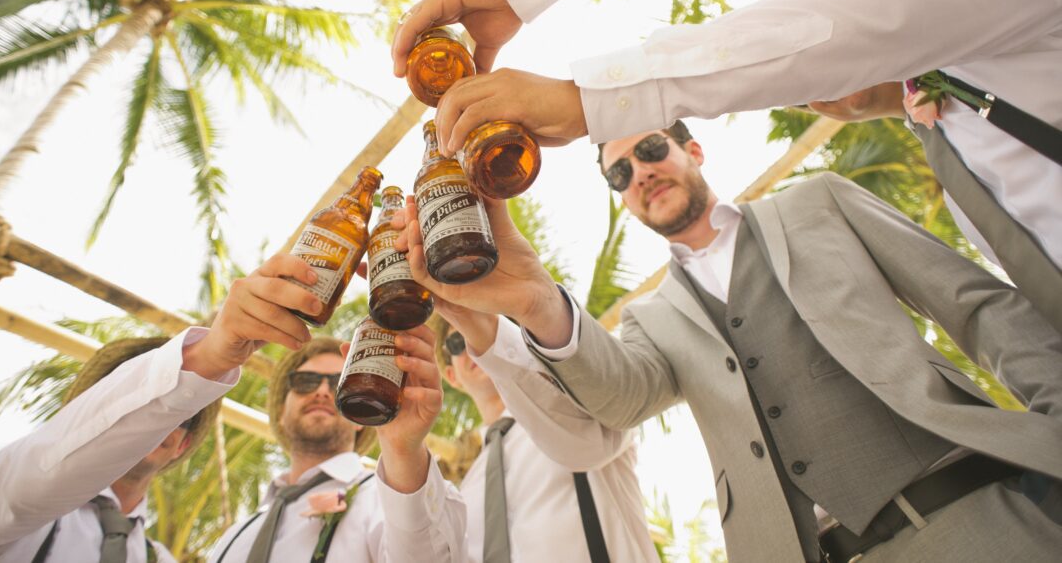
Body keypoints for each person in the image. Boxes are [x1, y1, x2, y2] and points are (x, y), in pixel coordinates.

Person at [390, 0, 1062, 333]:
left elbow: (855, 23)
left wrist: (587, 96)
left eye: (647, 149)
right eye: (620, 172)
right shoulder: (950, 140)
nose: (812, 87)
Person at [393, 121, 1062, 561]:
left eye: (650, 149)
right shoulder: (651, 319)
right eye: (619, 173)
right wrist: (535, 294)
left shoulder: (818, 202)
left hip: (975, 519)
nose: (640, 172)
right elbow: (619, 400)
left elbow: (974, 305)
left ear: (694, 149)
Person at [0, 251, 331, 561]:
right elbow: (37, 473)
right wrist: (203, 358)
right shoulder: (11, 515)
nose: (163, 421)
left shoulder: (159, 557)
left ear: (185, 444)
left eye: (184, 415)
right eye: (165, 404)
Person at [207, 328, 465, 562]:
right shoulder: (234, 536)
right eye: (304, 382)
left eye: (338, 384)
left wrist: (403, 450)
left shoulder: (388, 499)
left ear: (359, 419)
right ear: (281, 413)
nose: (321, 391)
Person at [429, 314, 657, 562]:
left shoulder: (578, 410)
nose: (471, 337)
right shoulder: (467, 488)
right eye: (456, 343)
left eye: (480, 321)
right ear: (451, 376)